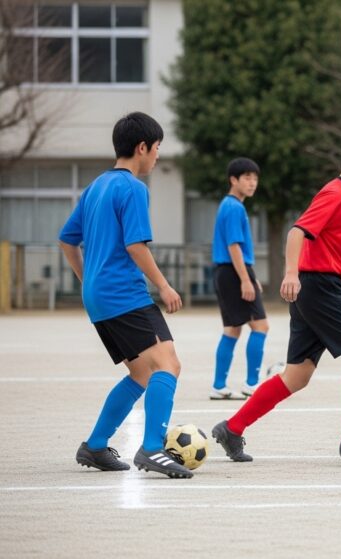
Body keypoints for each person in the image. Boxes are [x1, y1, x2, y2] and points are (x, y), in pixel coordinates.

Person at [211, 133, 341, 462]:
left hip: (315, 288)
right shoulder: (335, 194)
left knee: (296, 376)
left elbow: (333, 249)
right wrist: (290, 273)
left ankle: (233, 428)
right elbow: (296, 231)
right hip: (321, 289)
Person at [58, 112, 193, 478]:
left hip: (99, 297)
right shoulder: (133, 188)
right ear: (142, 147)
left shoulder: (96, 187)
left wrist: (88, 279)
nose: (158, 157)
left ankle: (96, 446)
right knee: (168, 364)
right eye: (157, 148)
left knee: (140, 373)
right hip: (124, 294)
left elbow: (67, 240)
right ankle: (152, 449)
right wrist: (164, 286)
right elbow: (136, 246)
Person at [209, 157, 269, 399]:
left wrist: (250, 278)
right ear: (233, 180)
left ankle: (219, 386)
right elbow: (234, 246)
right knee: (261, 326)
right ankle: (252, 384)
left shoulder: (228, 205)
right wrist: (245, 279)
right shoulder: (234, 207)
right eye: (247, 178)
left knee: (233, 329)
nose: (252, 183)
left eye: (255, 178)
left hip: (227, 272)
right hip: (233, 272)